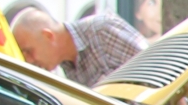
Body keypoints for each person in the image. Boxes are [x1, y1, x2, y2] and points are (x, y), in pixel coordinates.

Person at [11, 7, 146, 87]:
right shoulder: (68, 66)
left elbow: (154, 67)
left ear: (48, 36)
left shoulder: (101, 31)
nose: (28, 60)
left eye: (28, 51)